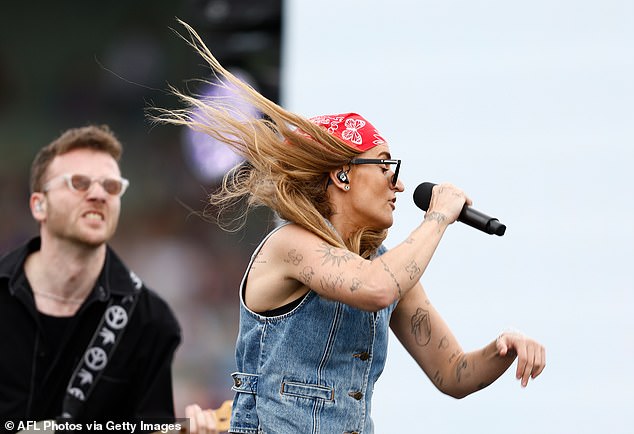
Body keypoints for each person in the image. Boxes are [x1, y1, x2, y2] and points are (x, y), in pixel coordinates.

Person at [155, 21, 546, 434]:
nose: (398, 183)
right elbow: (376, 289)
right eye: (385, 165)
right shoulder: (293, 244)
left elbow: (453, 373)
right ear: (342, 176)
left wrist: (505, 349)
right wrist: (438, 216)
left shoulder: (385, 268)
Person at [0, 125, 182, 431]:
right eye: (79, 183)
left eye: (111, 186)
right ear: (39, 204)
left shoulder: (151, 322)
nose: (98, 194)